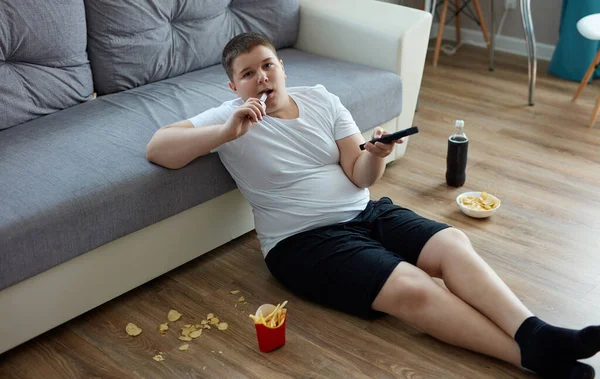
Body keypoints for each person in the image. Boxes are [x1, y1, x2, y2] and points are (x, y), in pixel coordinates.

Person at [146, 32, 599, 378]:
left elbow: (357, 173)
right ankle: (529, 357)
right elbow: (159, 147)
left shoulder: (321, 99)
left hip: (366, 212)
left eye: (267, 65)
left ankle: (534, 330)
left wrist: (375, 156)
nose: (261, 78)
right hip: (303, 243)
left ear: (282, 67)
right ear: (234, 85)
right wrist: (227, 131)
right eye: (248, 73)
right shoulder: (230, 117)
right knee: (414, 288)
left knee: (453, 243)